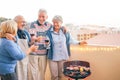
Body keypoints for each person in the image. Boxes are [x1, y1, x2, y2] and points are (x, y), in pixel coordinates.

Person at [46, 15, 87, 80]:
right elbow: (47, 46)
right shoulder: (49, 32)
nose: (55, 24)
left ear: (61, 23)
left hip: (63, 57)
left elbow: (71, 40)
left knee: (61, 75)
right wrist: (47, 44)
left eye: (57, 22)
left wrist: (79, 42)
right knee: (54, 76)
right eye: (54, 22)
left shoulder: (65, 32)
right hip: (53, 57)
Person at [28, 9, 52, 80]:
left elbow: (57, 28)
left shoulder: (50, 25)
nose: (41, 18)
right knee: (33, 73)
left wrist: (64, 28)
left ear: (47, 17)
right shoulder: (33, 24)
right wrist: (36, 39)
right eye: (39, 16)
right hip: (33, 52)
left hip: (44, 53)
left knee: (42, 72)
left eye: (43, 16)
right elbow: (32, 36)